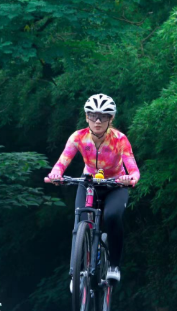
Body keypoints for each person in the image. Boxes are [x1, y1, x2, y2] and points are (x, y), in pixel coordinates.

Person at [44, 93, 140, 287]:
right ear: (86, 116)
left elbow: (133, 169)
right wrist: (55, 174)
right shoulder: (78, 137)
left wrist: (130, 178)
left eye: (103, 116)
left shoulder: (120, 139)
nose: (97, 121)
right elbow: (62, 162)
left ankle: (113, 266)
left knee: (112, 217)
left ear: (110, 119)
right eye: (93, 115)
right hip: (89, 183)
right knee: (80, 219)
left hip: (115, 184)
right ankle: (76, 273)